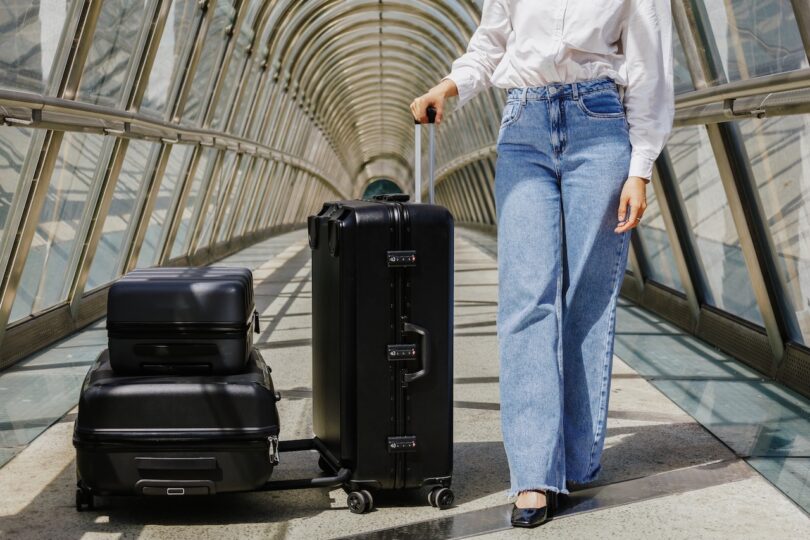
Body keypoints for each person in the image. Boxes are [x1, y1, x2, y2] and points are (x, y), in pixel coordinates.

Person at [410, 0, 674, 529]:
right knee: (525, 301)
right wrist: (450, 85)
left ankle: (572, 463)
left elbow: (649, 65)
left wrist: (640, 168)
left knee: (585, 300)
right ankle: (533, 473)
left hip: (600, 129)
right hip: (523, 125)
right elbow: (490, 44)